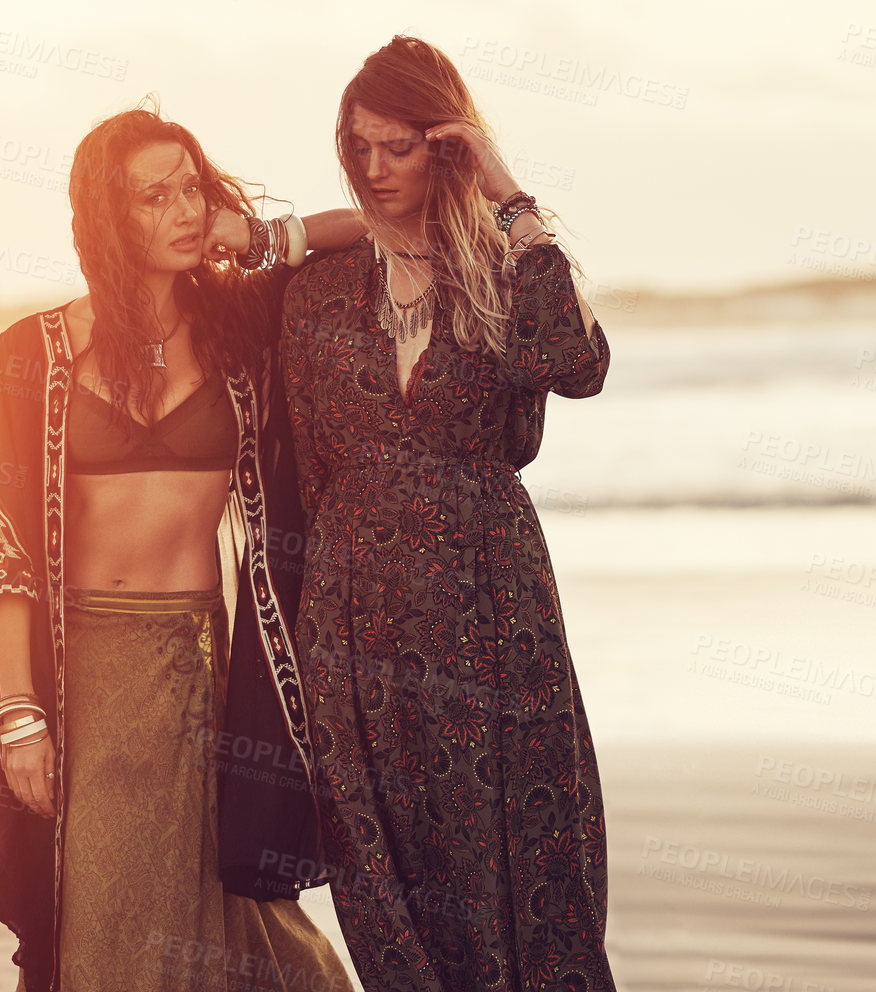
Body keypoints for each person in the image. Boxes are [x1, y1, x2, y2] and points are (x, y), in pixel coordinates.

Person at [0, 103, 363, 992]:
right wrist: (21, 712)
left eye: (192, 186)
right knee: (102, 909)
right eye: (156, 197)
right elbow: (7, 547)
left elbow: (368, 242)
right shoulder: (32, 354)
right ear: (109, 220)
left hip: (204, 668)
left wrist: (262, 235)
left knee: (231, 915)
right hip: (81, 682)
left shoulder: (241, 329)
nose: (184, 210)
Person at [278, 36, 616, 992]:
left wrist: (508, 197)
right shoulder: (318, 293)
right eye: (361, 148)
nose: (378, 171)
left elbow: (576, 365)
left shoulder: (502, 277)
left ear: (448, 145)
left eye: (402, 146)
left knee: (521, 850)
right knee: (388, 865)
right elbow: (303, 468)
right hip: (354, 618)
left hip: (491, 604)